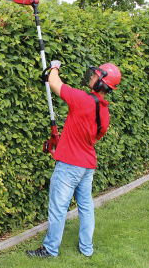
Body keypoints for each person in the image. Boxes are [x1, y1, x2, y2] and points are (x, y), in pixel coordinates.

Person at [26, 60, 122, 258]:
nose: (92, 76)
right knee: (86, 206)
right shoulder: (104, 112)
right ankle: (87, 248)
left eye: (96, 75)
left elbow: (54, 83)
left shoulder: (82, 99)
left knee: (58, 208)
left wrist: (54, 66)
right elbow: (95, 137)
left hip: (70, 165)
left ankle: (50, 249)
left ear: (102, 83)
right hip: (87, 166)